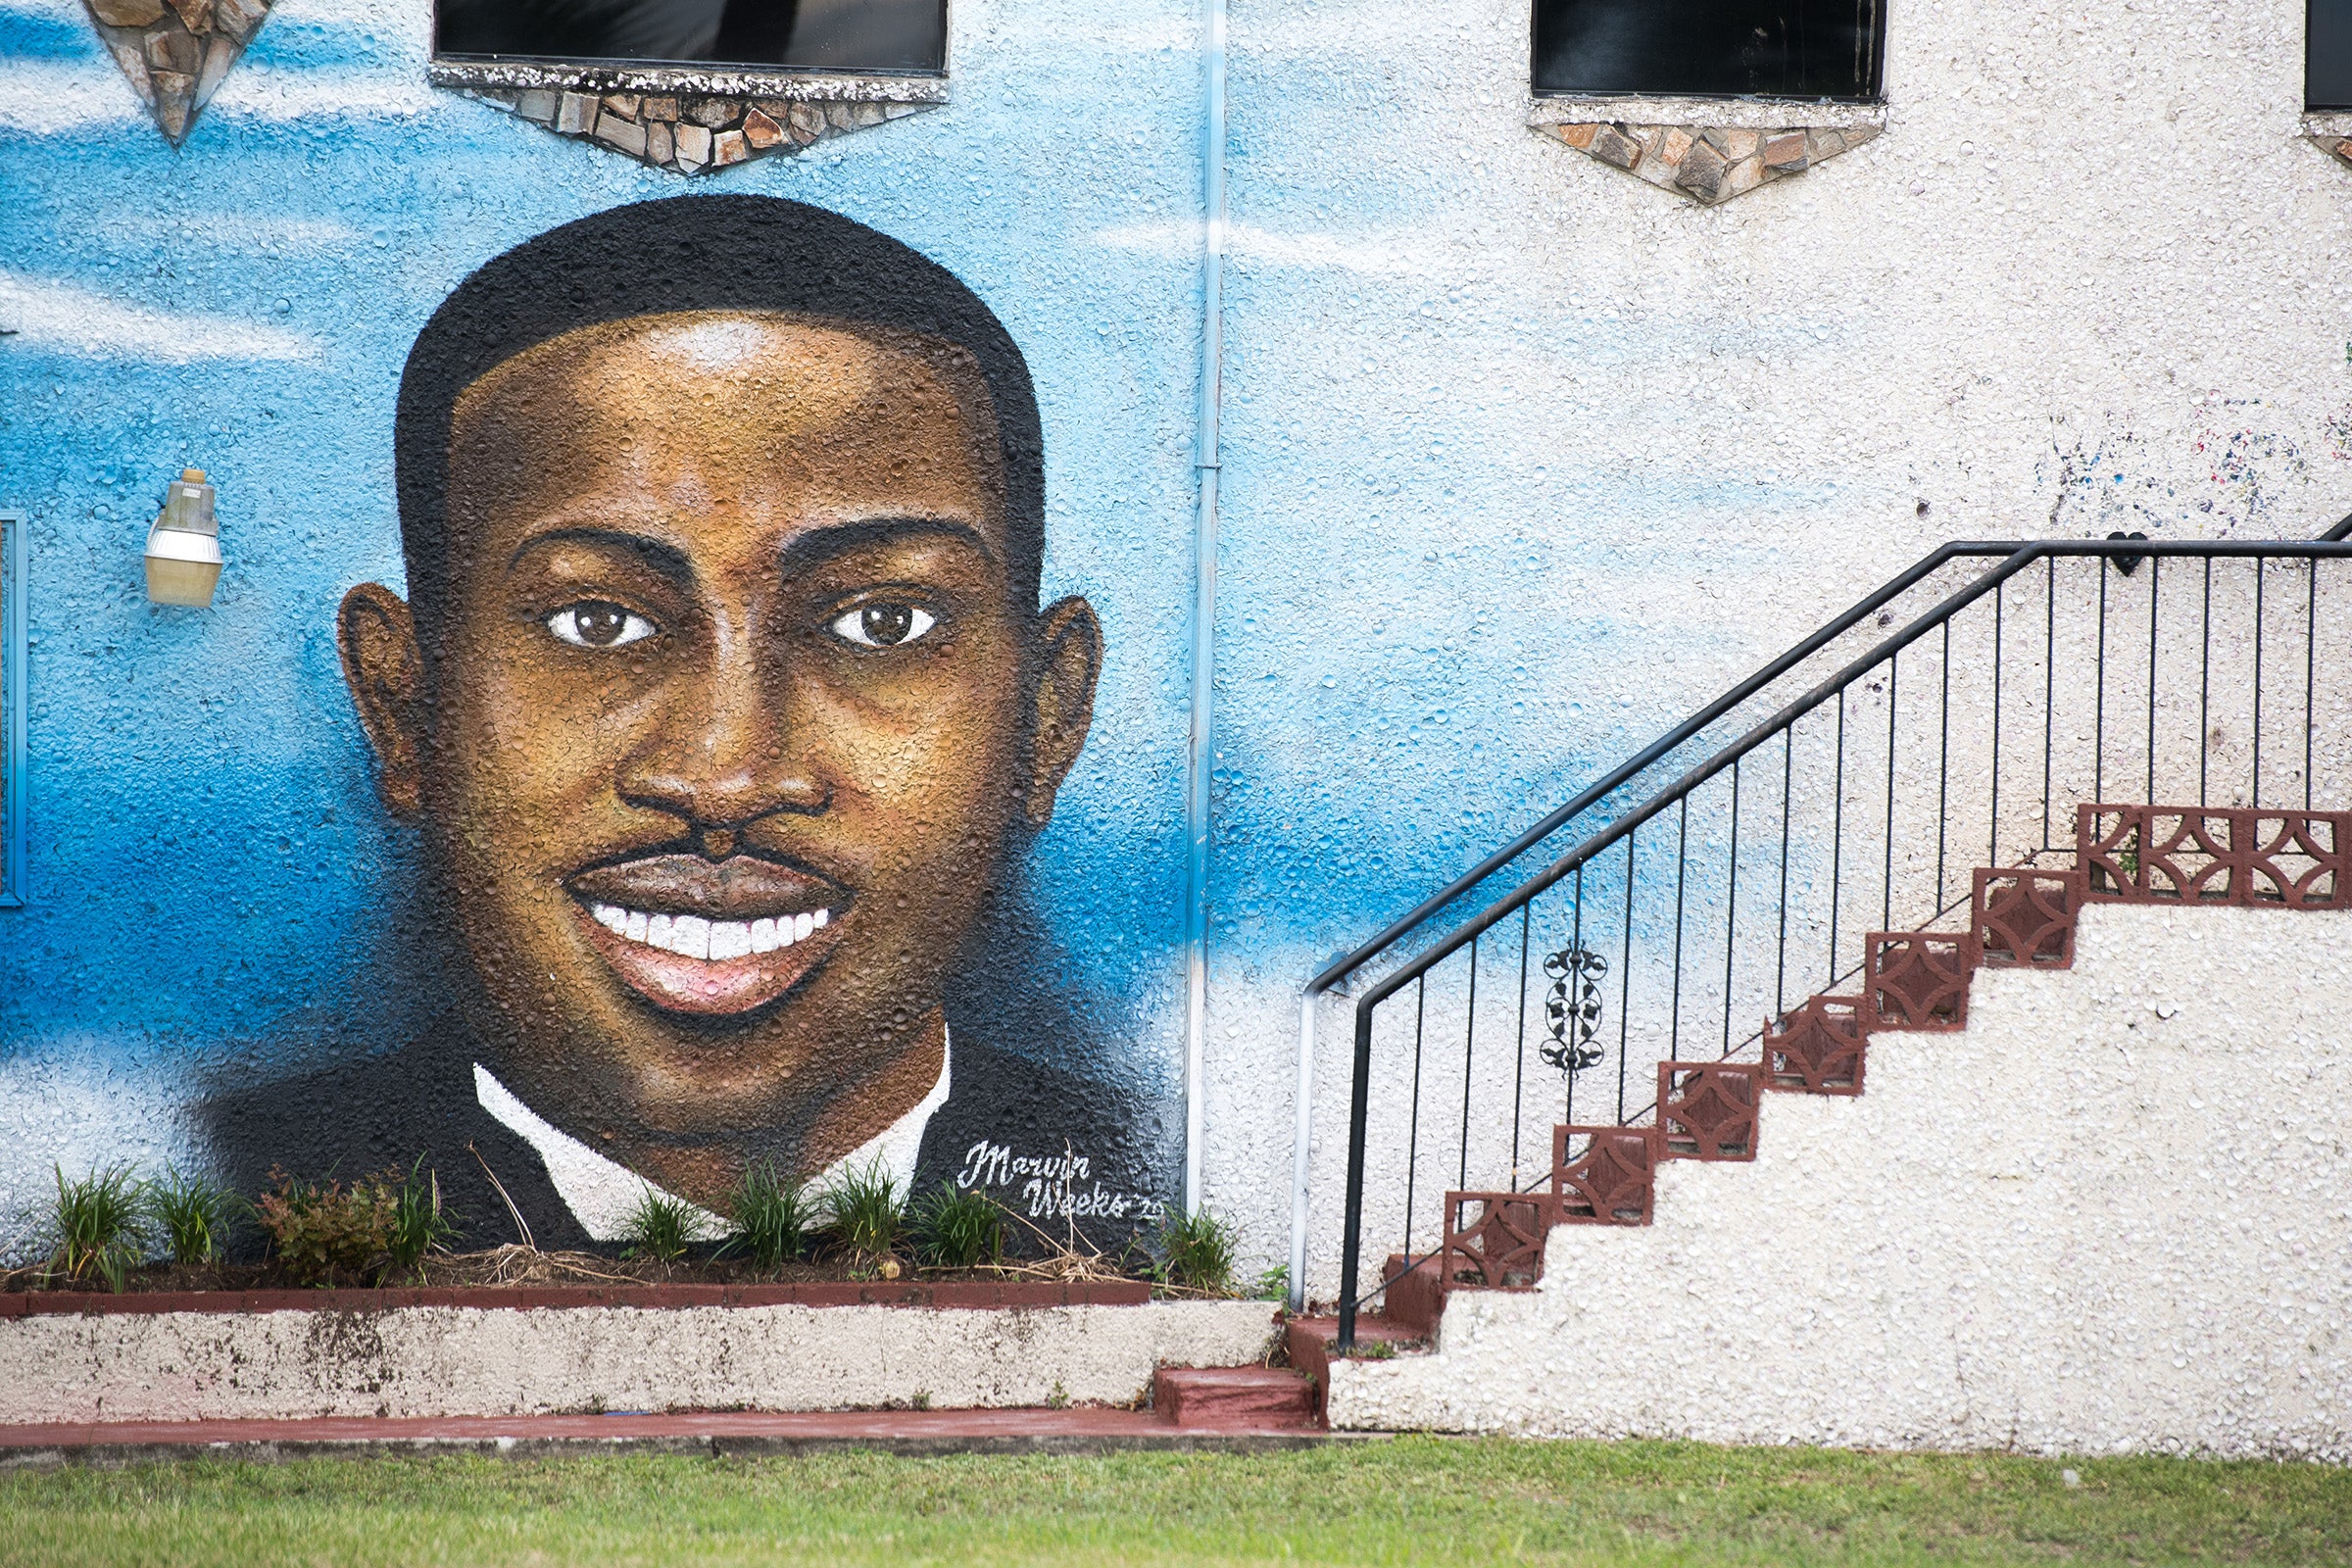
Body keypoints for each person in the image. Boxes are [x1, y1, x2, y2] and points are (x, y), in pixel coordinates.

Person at [205, 197, 1169, 1252]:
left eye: (882, 621)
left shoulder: (1139, 1166)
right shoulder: (240, 1181)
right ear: (405, 706)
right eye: (596, 620)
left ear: (1045, 717)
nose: (726, 774)